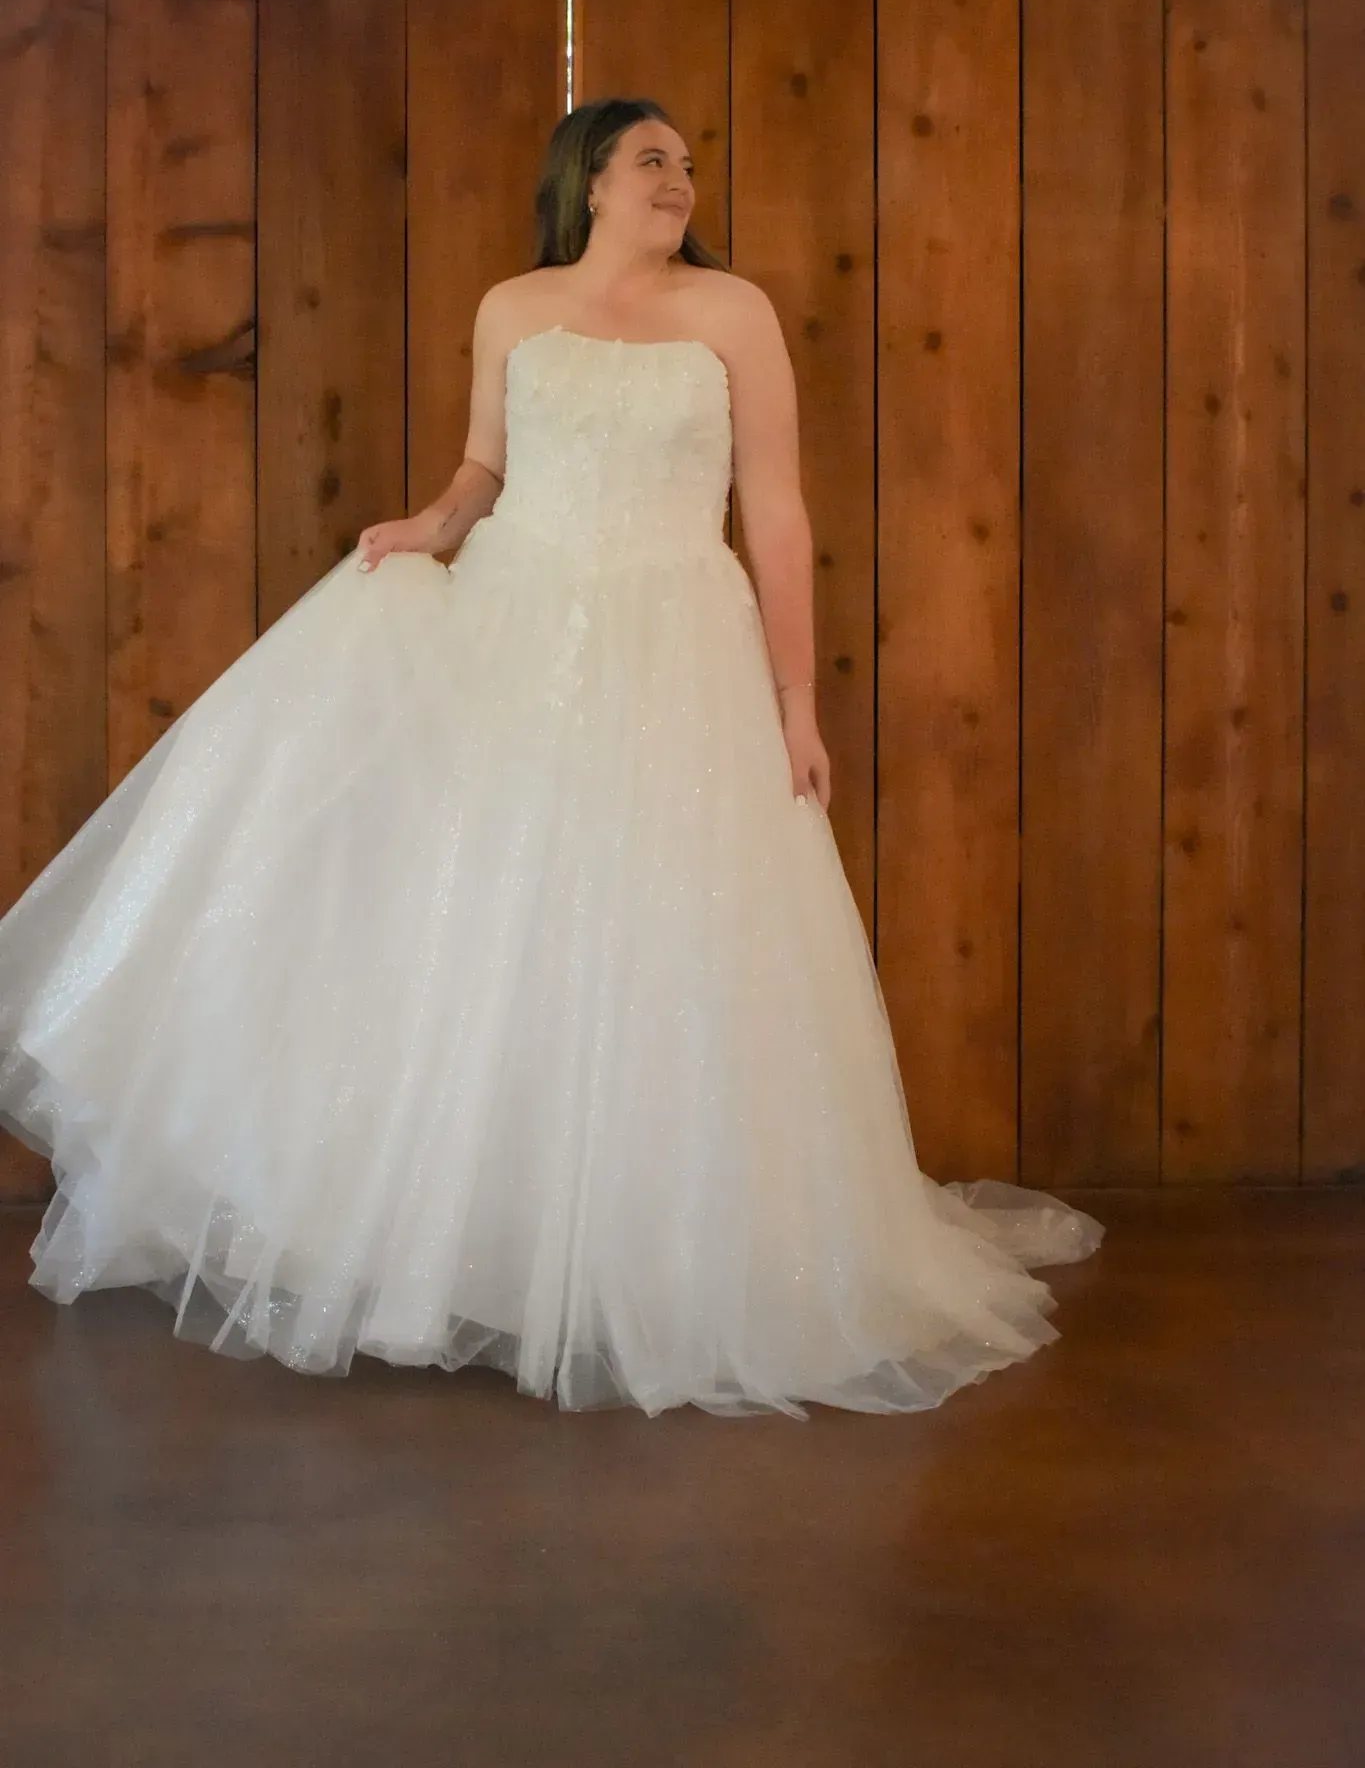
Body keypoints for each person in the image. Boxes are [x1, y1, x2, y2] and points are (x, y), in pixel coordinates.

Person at [0, 96, 1102, 1418]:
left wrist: (796, 697)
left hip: (679, 634)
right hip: (521, 622)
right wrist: (430, 522)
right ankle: (481, 1242)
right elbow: (483, 470)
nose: (679, 181)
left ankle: (660, 1250)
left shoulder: (733, 313)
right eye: (653, 160)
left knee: (666, 933)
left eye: (691, 165)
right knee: (487, 923)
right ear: (590, 180)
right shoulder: (512, 308)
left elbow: (782, 506)